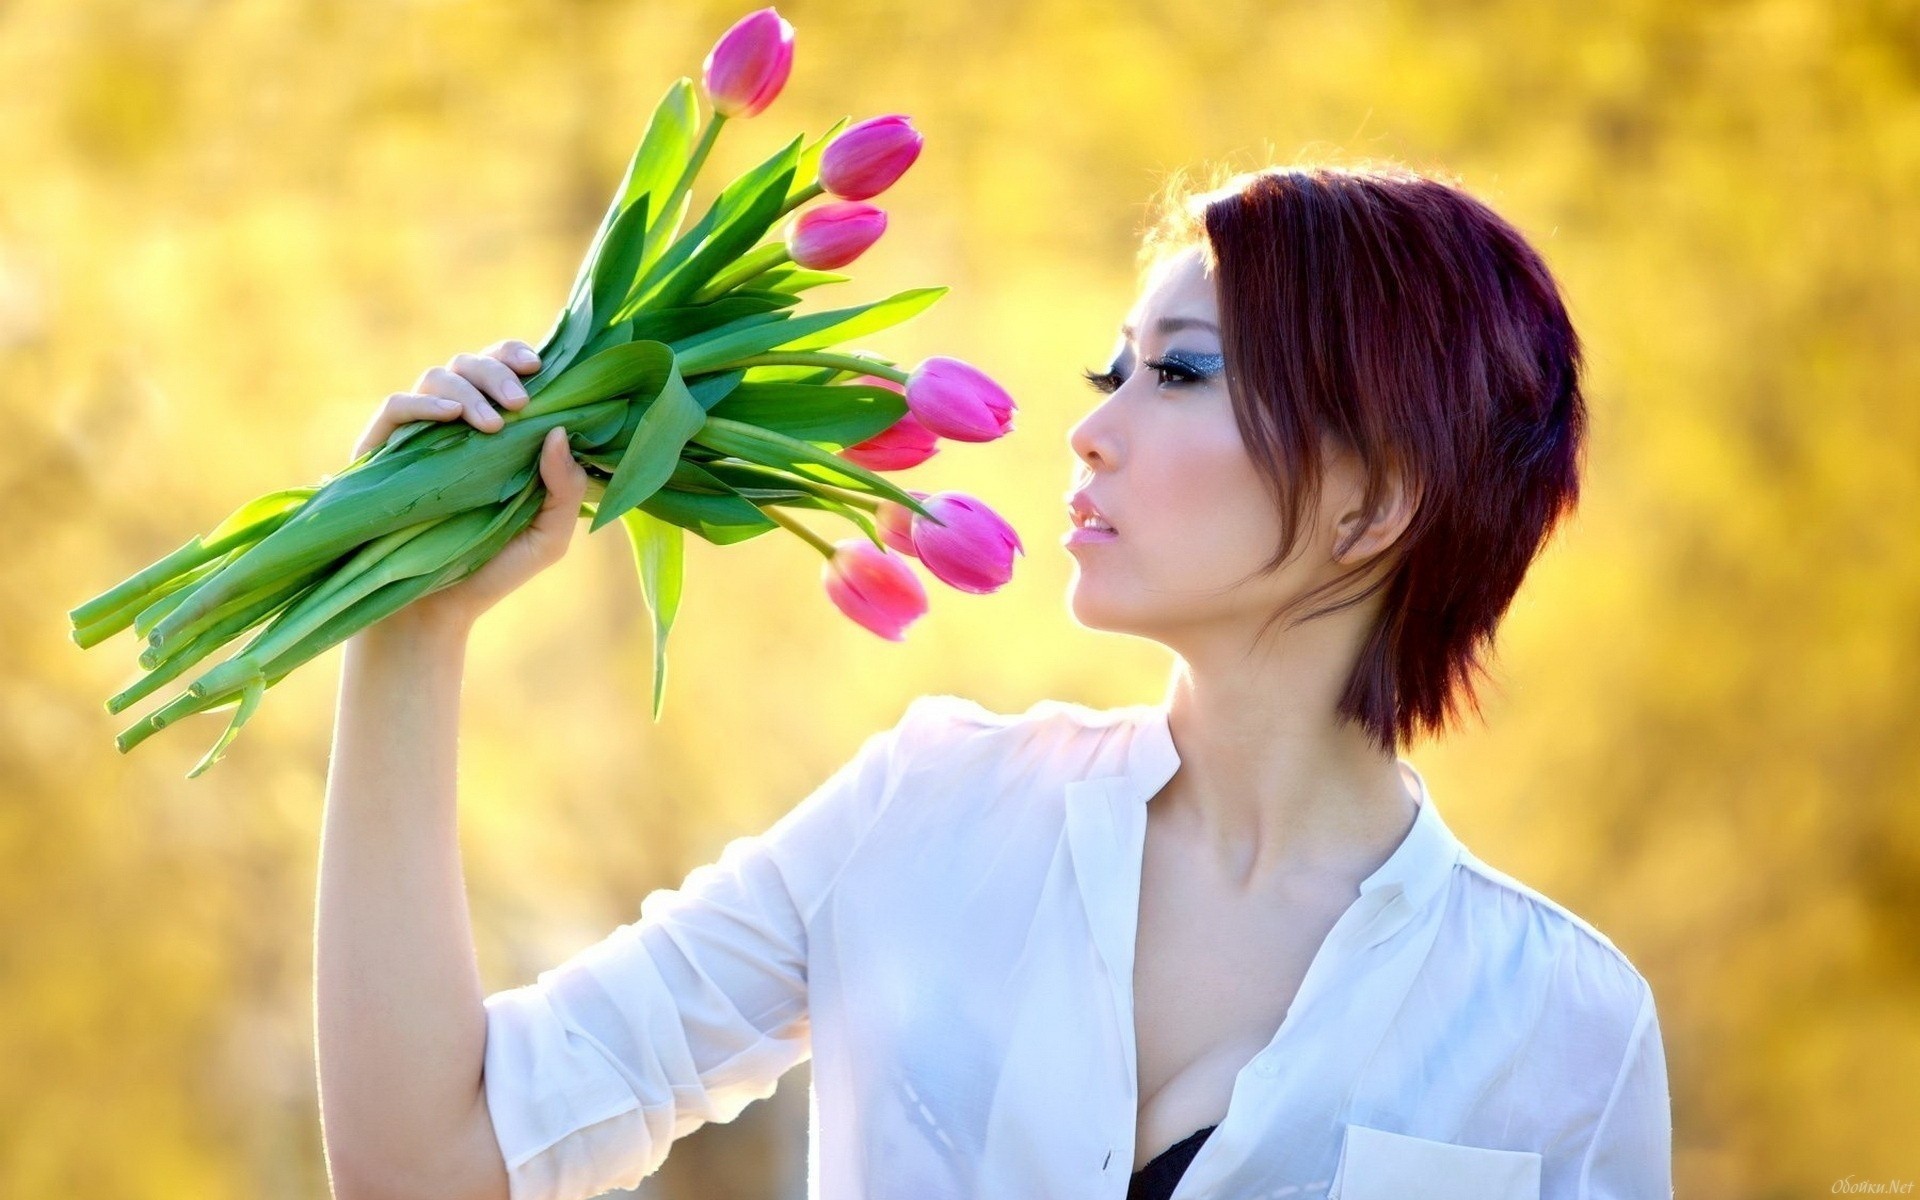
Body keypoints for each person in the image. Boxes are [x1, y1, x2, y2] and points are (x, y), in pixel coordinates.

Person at [315, 163, 1672, 1200]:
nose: (1089, 431)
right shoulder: (929, 815)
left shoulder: (1562, 1028)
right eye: (1115, 369)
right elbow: (435, 1161)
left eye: (1182, 373)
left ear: (1373, 501)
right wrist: (411, 635)